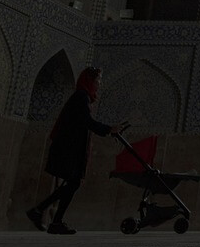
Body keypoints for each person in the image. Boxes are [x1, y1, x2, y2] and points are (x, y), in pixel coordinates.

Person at [26, 67, 125, 234]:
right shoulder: (81, 96)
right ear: (89, 81)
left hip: (69, 147)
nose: (99, 84)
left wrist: (108, 130)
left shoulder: (83, 97)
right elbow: (87, 121)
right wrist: (109, 129)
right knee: (73, 182)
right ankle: (49, 217)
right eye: (97, 80)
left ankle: (46, 215)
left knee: (72, 183)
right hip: (68, 147)